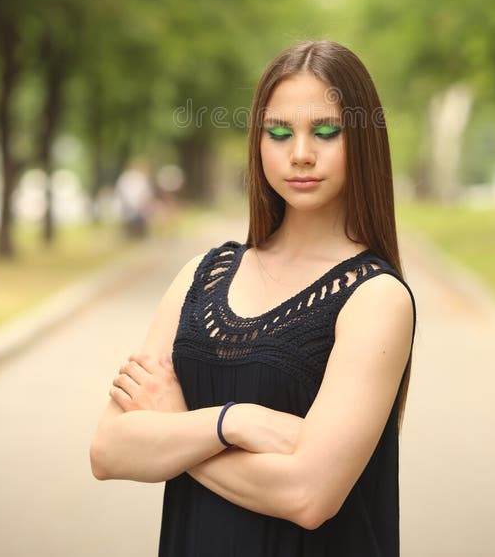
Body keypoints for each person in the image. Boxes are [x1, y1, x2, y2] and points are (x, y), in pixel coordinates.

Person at [90, 39, 417, 557]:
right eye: (279, 132)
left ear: (363, 141)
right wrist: (236, 422)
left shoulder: (375, 298)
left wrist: (175, 432)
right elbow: (108, 450)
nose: (301, 153)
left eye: (326, 132)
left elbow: (309, 494)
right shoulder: (201, 275)